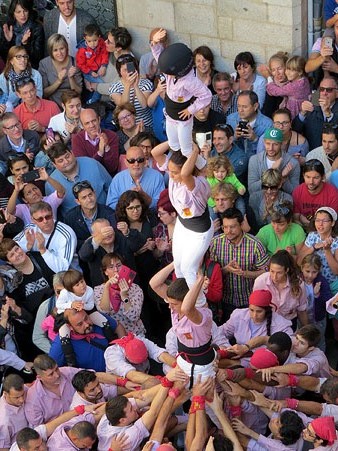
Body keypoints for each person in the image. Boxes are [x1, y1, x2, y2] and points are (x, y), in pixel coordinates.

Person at [152, 142, 213, 306]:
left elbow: (185, 173)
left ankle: (200, 304)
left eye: (175, 172)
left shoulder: (198, 182)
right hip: (182, 223)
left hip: (199, 230)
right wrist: (177, 141)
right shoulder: (175, 175)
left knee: (188, 268)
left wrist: (193, 151)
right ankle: (181, 298)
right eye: (170, 171)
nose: (171, 176)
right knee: (178, 267)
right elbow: (155, 152)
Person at [151, 28, 211, 169]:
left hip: (183, 118)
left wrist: (191, 109)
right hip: (171, 116)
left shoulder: (189, 81)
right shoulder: (170, 72)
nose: (166, 75)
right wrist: (154, 41)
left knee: (186, 150)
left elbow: (206, 96)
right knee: (173, 145)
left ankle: (203, 167)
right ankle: (183, 164)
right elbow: (159, 56)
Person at [150, 262, 216, 386]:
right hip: (183, 359)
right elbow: (154, 284)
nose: (170, 307)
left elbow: (187, 308)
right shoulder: (175, 306)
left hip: (201, 366)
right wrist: (177, 262)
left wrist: (199, 280)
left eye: (174, 304)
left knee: (204, 400)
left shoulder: (201, 314)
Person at [96, 367, 184, 451]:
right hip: (136, 444)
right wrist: (171, 387)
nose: (134, 408)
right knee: (162, 423)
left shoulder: (106, 418)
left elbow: (145, 397)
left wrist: (168, 380)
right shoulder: (126, 439)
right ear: (122, 420)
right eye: (131, 409)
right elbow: (154, 414)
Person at [209, 207, 270, 321]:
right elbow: (210, 275)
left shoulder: (255, 244)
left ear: (241, 225)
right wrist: (226, 269)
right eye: (225, 227)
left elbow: (266, 271)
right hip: (225, 301)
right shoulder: (215, 243)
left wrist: (245, 273)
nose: (228, 231)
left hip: (249, 301)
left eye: (232, 227)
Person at [0, 238, 55, 360]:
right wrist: (17, 309)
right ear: (9, 262)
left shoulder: (38, 258)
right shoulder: (13, 281)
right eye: (12, 255)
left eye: (16, 249)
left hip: (56, 309)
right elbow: (27, 319)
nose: (17, 254)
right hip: (40, 325)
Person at [45, 142, 112, 218]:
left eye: (67, 156)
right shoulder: (51, 183)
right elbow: (54, 211)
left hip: (105, 216)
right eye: (60, 161)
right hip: (74, 225)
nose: (66, 162)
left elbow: (112, 189)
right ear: (54, 165)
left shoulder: (93, 164)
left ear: (72, 153)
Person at [49, 308, 125, 371]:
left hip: (122, 366)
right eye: (80, 324)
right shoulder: (60, 344)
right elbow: (53, 369)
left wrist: (125, 349)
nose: (86, 324)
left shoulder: (98, 319)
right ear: (70, 327)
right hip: (99, 382)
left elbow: (118, 327)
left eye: (86, 318)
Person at [78, 218, 145, 287]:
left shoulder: (121, 236)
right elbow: (83, 256)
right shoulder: (91, 243)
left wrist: (127, 232)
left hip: (130, 285)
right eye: (102, 233)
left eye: (109, 231)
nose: (107, 235)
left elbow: (139, 244)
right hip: (103, 289)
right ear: (93, 234)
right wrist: (97, 240)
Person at [14, 200, 77, 273]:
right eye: (40, 219)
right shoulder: (30, 229)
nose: (45, 221)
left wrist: (43, 249)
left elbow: (62, 269)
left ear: (52, 215)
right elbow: (10, 249)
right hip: (42, 275)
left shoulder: (66, 233)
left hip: (68, 277)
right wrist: (28, 245)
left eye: (48, 217)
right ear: (33, 220)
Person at [253, 249, 309, 329]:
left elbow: (301, 310)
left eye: (279, 272)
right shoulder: (260, 281)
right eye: (272, 271)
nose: (274, 276)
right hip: (267, 323)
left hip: (289, 324)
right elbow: (255, 307)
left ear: (286, 270)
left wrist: (307, 330)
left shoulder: (299, 284)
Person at [94, 252, 146, 337]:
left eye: (118, 265)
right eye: (111, 267)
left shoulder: (135, 288)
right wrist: (107, 287)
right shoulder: (98, 289)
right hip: (114, 337)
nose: (116, 270)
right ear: (105, 272)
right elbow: (103, 312)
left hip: (135, 334)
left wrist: (124, 296)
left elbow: (134, 316)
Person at [106, 145, 165, 211]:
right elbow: (111, 205)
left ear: (145, 161)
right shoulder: (118, 179)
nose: (136, 164)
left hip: (149, 218)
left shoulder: (157, 177)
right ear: (126, 162)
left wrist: (144, 196)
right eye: (131, 161)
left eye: (140, 160)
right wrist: (127, 201)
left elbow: (161, 205)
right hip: (124, 219)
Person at [63, 180, 116, 253]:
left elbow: (116, 237)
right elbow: (70, 242)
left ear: (95, 193)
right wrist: (90, 243)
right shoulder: (70, 217)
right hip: (83, 259)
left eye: (90, 194)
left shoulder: (109, 213)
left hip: (107, 255)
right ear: (78, 201)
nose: (89, 199)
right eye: (84, 197)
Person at [298, 206, 338, 296]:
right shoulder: (312, 236)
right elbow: (299, 261)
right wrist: (314, 247)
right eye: (317, 220)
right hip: (311, 281)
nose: (320, 224)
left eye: (324, 221)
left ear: (332, 223)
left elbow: (336, 271)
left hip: (332, 284)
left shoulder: (336, 241)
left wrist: (327, 250)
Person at [104, 332, 174, 383]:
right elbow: (132, 375)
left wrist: (177, 364)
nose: (141, 364)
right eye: (138, 363)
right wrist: (164, 381)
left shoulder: (138, 340)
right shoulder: (112, 355)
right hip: (124, 385)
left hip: (145, 374)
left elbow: (159, 352)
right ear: (126, 356)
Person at [248, 127, 300, 195]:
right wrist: (273, 171)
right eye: (268, 143)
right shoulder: (254, 160)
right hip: (260, 202)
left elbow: (295, 193)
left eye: (275, 144)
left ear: (282, 144)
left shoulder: (293, 163)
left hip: (282, 202)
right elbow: (252, 190)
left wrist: (284, 179)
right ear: (263, 142)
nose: (271, 148)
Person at [292, 77, 338, 150]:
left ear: (337, 93)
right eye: (322, 89)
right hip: (313, 155)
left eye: (329, 90)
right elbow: (295, 130)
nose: (324, 93)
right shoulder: (312, 105)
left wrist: (329, 114)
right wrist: (302, 113)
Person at [38, 33, 82, 109]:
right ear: (50, 51)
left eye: (62, 48)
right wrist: (59, 81)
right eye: (55, 50)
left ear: (66, 48)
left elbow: (79, 92)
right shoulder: (44, 64)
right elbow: (43, 94)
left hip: (72, 105)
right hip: (52, 106)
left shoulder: (75, 62)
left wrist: (71, 78)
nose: (60, 53)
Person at [109, 54, 153, 128]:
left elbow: (144, 105)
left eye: (130, 68)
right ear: (119, 72)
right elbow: (123, 107)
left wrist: (136, 86)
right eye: (125, 70)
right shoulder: (115, 88)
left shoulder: (146, 83)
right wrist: (127, 86)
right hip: (128, 128)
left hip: (147, 125)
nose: (129, 72)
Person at [292, 159, 338, 229]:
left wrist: (311, 224)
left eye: (316, 177)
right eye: (308, 177)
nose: (311, 182)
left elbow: (332, 221)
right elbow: (296, 219)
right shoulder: (298, 191)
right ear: (303, 176)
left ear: (323, 177)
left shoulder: (332, 193)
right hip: (303, 230)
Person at [71, 109, 119, 176]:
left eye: (93, 121)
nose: (91, 125)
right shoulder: (77, 140)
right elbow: (84, 168)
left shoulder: (112, 136)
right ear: (82, 126)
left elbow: (112, 168)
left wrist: (107, 147)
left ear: (99, 120)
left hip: (109, 176)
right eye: (87, 123)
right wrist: (100, 153)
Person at [227, 90, 273, 157]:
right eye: (239, 106)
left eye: (245, 107)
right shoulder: (231, 119)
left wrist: (255, 139)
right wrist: (234, 138)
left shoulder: (268, 124)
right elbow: (226, 148)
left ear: (255, 106)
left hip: (256, 163)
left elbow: (269, 151)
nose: (240, 110)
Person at [300, 253, 332, 351]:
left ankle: (321, 361)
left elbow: (328, 302)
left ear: (319, 270)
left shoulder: (321, 281)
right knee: (302, 340)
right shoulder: (298, 280)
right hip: (301, 318)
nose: (310, 275)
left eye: (314, 272)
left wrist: (317, 295)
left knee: (319, 341)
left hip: (318, 319)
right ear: (301, 268)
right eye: (307, 271)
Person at [0, 0, 44, 69]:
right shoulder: (8, 27)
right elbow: (4, 57)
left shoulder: (37, 28)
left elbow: (38, 58)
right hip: (12, 70)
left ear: (29, 11)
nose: (22, 15)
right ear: (13, 13)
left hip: (31, 69)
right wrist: (8, 41)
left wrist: (26, 44)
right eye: (18, 12)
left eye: (25, 11)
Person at [266, 55, 311, 119]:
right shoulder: (303, 80)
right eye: (287, 69)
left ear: (300, 72)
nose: (287, 73)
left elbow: (275, 91)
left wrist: (268, 77)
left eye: (292, 70)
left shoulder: (295, 86)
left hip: (294, 117)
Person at [76, 24, 108, 105]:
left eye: (95, 40)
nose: (92, 44)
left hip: (98, 69)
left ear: (99, 37)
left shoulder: (101, 44)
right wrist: (90, 72)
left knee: (102, 82)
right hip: (88, 72)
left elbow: (105, 54)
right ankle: (93, 101)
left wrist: (104, 65)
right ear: (85, 39)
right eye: (89, 41)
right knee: (101, 84)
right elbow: (81, 64)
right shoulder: (82, 50)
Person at [0, 374, 28, 449]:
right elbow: (3, 448)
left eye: (23, 395)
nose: (22, 400)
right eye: (17, 397)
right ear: (5, 394)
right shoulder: (4, 420)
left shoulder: (22, 388)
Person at [260, 51, 288, 118]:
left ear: (286, 67)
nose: (277, 73)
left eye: (280, 68)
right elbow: (267, 110)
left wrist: (268, 77)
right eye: (273, 70)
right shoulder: (271, 84)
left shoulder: (291, 84)